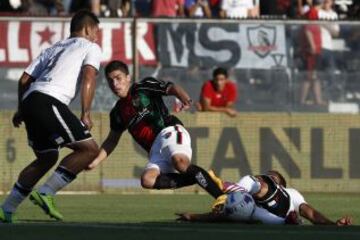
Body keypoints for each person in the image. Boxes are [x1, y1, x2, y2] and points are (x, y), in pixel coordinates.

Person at [0, 10, 102, 223]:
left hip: (30, 100)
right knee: (90, 149)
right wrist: (85, 112)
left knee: (47, 157)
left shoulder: (53, 48)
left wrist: (21, 108)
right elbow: (89, 76)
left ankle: (6, 209)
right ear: (88, 29)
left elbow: (24, 79)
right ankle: (47, 192)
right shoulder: (90, 47)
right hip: (49, 100)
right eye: (96, 32)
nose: (97, 37)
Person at [88, 60, 224, 201]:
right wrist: (95, 161)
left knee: (180, 163)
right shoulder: (117, 112)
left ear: (128, 77)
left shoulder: (143, 87)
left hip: (168, 131)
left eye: (118, 78)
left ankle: (222, 198)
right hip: (155, 150)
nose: (115, 84)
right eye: (110, 81)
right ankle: (203, 178)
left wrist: (185, 98)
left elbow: (171, 88)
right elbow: (111, 140)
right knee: (147, 180)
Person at [177, 170, 353, 225]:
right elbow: (223, 214)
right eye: (265, 175)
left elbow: (312, 214)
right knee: (240, 202)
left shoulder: (292, 194)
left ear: (282, 185)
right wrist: (193, 217)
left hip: (279, 215)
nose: (266, 176)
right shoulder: (249, 197)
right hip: (257, 213)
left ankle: (221, 187)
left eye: (272, 177)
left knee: (249, 190)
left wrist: (332, 224)